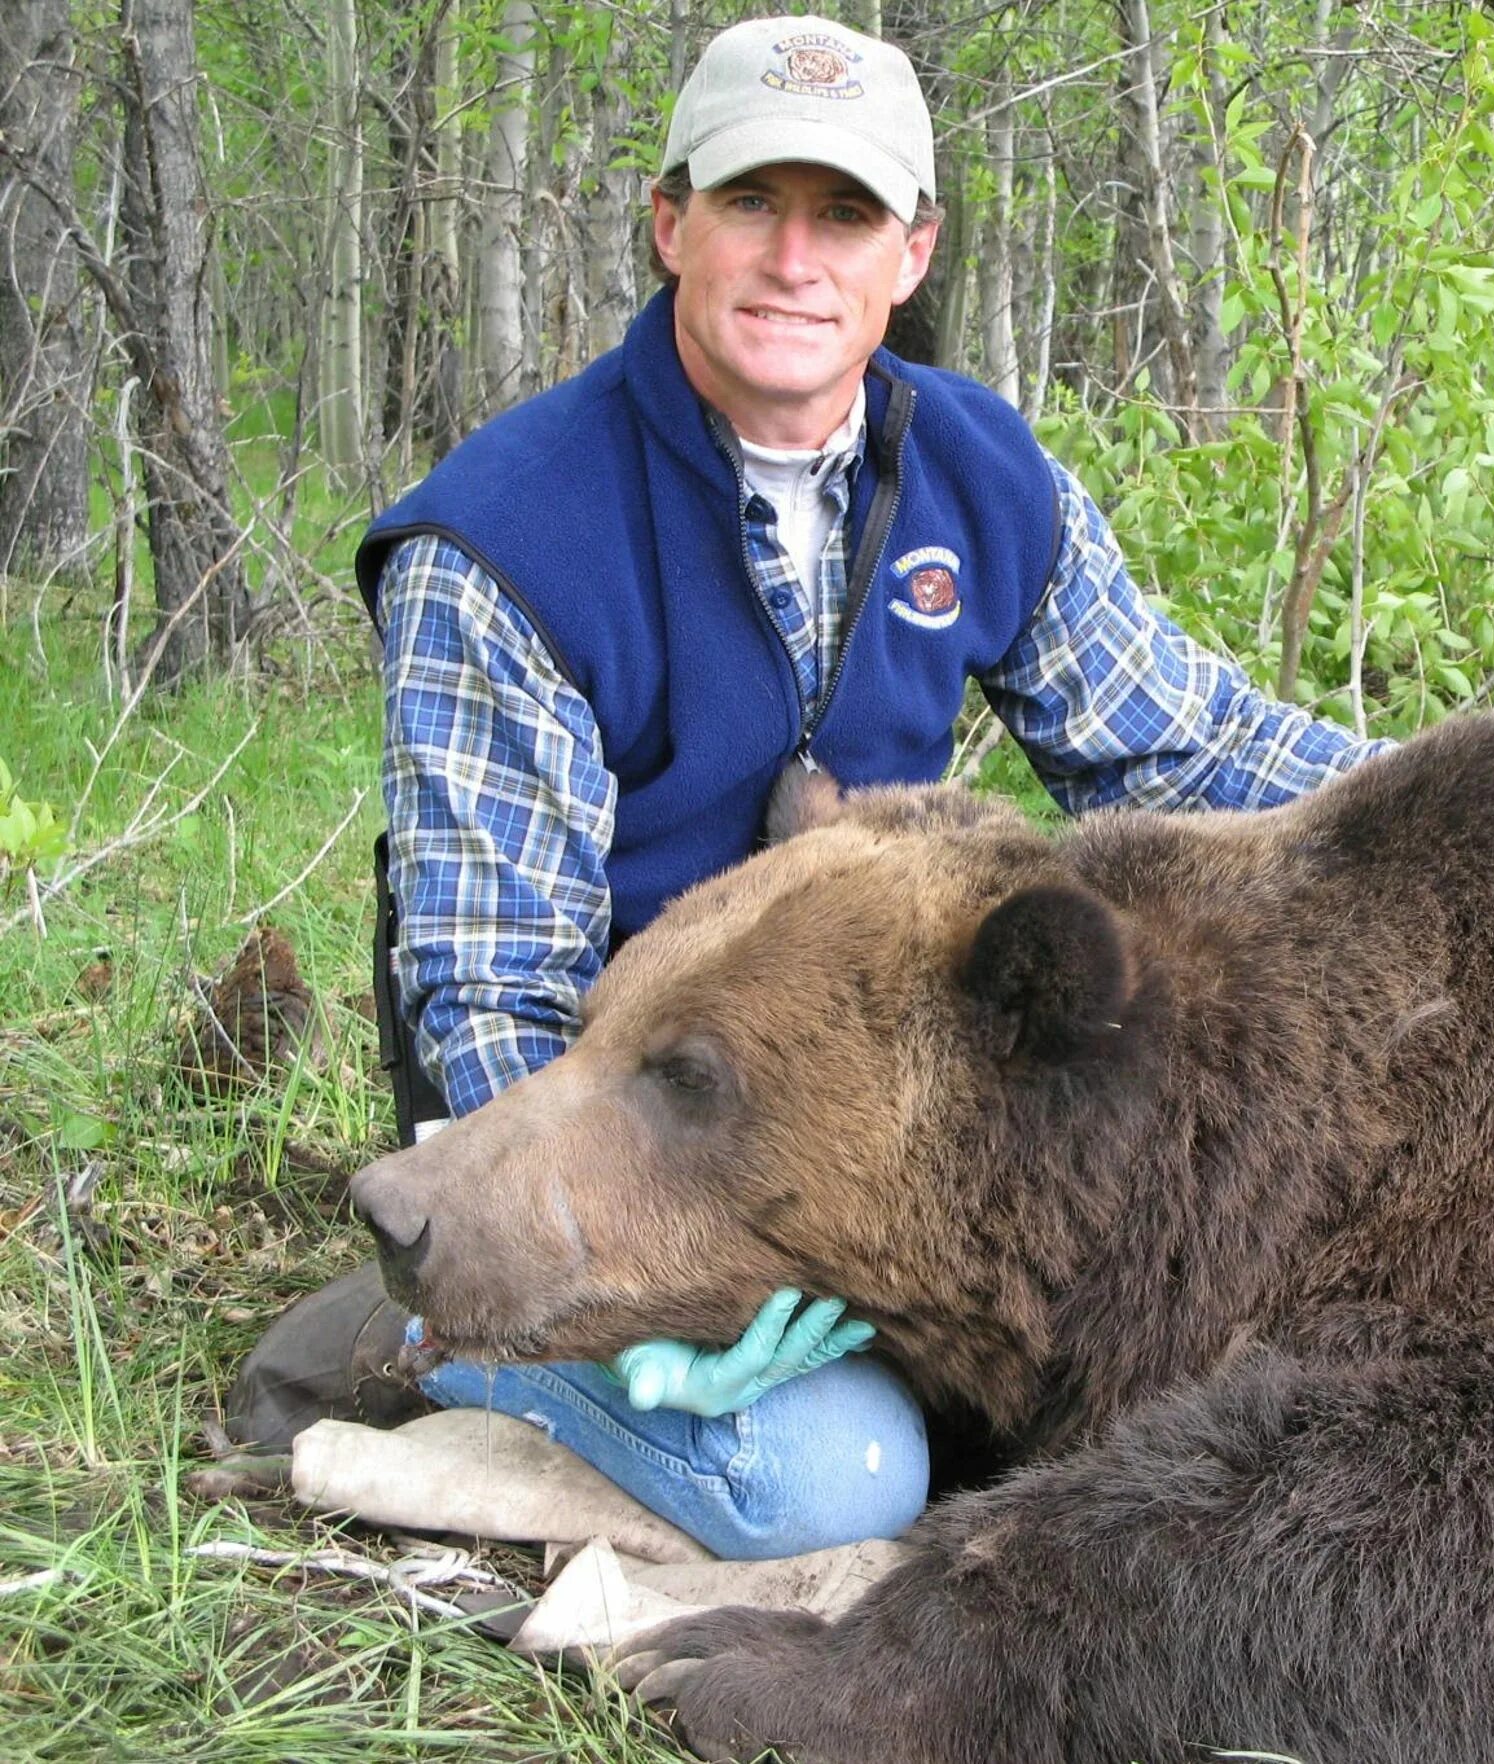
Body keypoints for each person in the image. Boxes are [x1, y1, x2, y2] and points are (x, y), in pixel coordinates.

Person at [227, 14, 1387, 1560]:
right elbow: (488, 994)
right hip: (609, 1131)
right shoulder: (504, 540)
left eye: (841, 213)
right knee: (833, 1484)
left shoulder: (980, 474)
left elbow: (1193, 745)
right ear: (670, 224)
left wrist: (1453, 818)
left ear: (910, 252)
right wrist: (579, 1277)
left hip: (851, 1141)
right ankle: (411, 1326)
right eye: (749, 203)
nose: (794, 259)